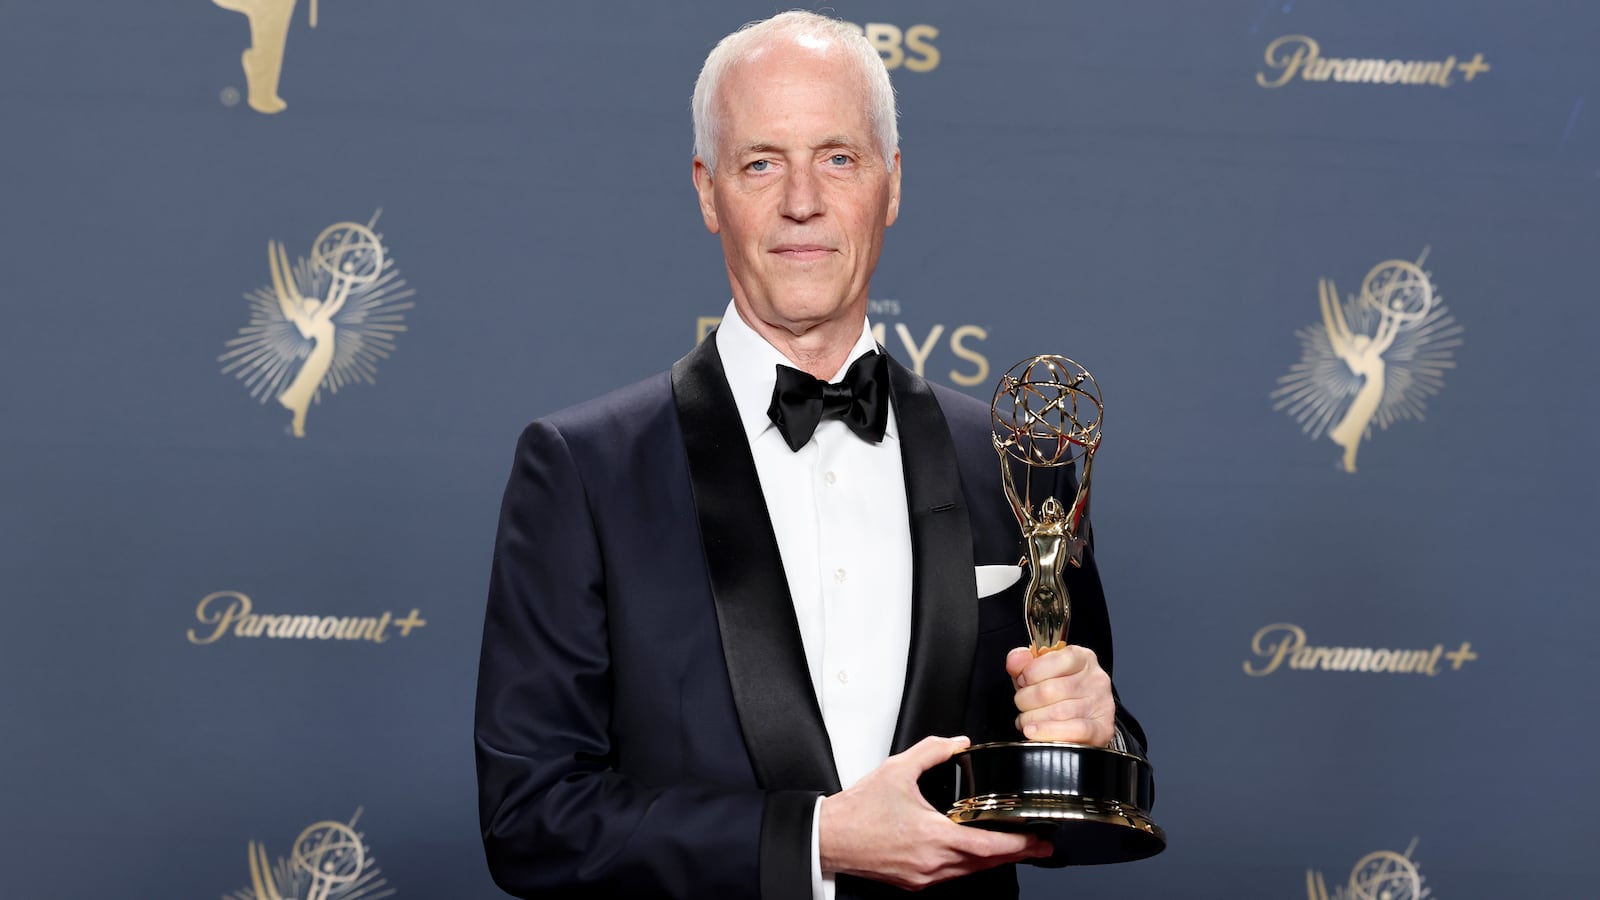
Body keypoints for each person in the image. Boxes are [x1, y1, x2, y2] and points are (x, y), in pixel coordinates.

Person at [475, 12, 1148, 899]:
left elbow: (1098, 816)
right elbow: (529, 821)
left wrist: (1094, 742)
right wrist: (817, 839)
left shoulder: (1011, 462)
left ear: (891, 184)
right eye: (761, 163)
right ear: (709, 191)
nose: (803, 200)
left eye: (838, 157)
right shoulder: (584, 470)